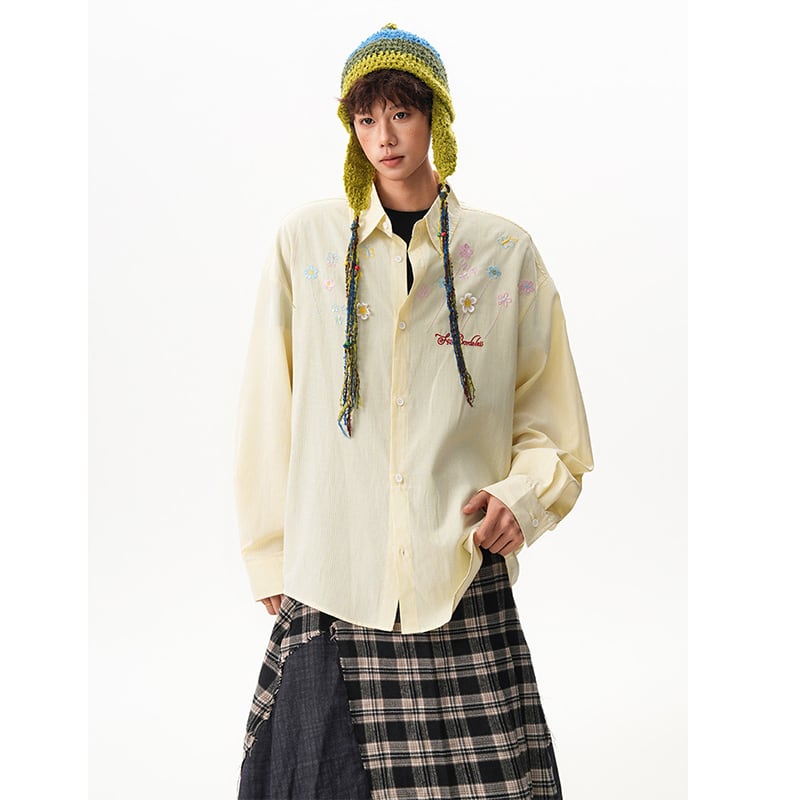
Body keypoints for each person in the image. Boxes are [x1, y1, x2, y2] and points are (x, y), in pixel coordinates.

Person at [234, 22, 593, 800]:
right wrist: (268, 550)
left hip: (458, 571)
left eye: (401, 113)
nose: (384, 138)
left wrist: (523, 498)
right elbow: (269, 404)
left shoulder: (504, 255)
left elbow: (553, 425)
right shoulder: (305, 246)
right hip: (333, 575)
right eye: (366, 119)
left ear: (436, 118)